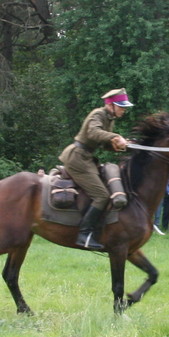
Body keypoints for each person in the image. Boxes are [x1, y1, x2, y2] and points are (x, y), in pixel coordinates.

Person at [59, 88, 132, 250]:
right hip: (77, 158)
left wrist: (124, 145)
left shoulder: (110, 119)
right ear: (111, 105)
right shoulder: (97, 114)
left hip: (86, 158)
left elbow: (105, 145)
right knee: (102, 195)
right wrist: (115, 137)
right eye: (121, 106)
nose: (124, 110)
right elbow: (93, 133)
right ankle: (83, 234)